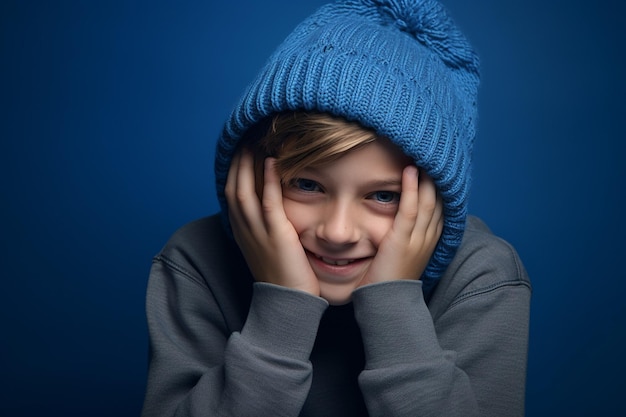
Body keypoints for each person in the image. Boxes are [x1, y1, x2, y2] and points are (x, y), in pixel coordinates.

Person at [140, 0, 531, 416]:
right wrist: (283, 307)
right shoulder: (197, 260)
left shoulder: (481, 276)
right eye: (306, 185)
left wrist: (393, 306)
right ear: (248, 180)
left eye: (384, 195)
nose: (338, 232)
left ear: (437, 200)